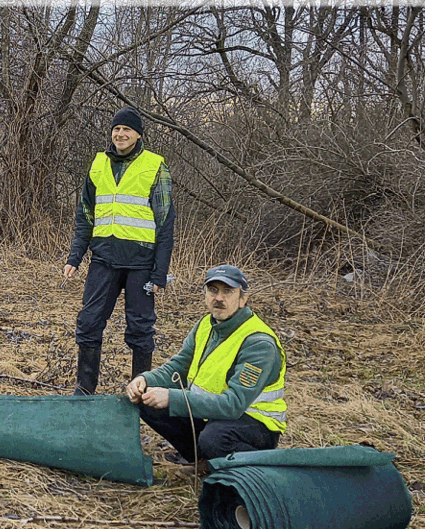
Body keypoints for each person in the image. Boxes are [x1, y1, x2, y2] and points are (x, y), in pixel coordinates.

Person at [125, 265, 285, 475]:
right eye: (213, 290)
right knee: (147, 398)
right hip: (215, 415)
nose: (219, 298)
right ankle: (204, 461)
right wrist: (145, 380)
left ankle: (253, 470)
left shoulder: (258, 343)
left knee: (214, 438)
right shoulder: (206, 325)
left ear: (243, 299)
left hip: (256, 427)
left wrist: (173, 399)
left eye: (227, 291)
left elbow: (233, 405)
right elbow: (179, 367)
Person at [65, 108, 174, 395]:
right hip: (103, 260)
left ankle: (141, 392)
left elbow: (165, 223)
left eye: (127, 130)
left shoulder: (155, 166)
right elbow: (85, 215)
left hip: (141, 264)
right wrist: (75, 257)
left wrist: (160, 273)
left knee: (140, 330)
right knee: (88, 323)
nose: (120, 134)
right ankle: (84, 390)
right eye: (116, 129)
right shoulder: (98, 164)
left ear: (138, 134)